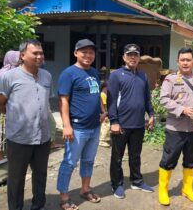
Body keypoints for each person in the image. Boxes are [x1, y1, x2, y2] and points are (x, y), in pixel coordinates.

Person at [0, 40, 52, 210]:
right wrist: (17, 119)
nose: (39, 56)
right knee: (16, 179)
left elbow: (45, 103)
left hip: (43, 137)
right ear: (22, 55)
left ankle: (38, 205)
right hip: (19, 138)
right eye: (35, 53)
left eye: (41, 53)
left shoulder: (46, 76)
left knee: (41, 175)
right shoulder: (8, 77)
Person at [56, 39, 107, 209]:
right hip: (77, 128)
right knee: (69, 162)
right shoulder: (68, 73)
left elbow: (97, 93)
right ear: (76, 53)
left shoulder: (93, 72)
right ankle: (64, 196)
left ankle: (85, 189)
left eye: (91, 52)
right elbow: (63, 100)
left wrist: (103, 111)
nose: (88, 55)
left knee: (89, 160)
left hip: (94, 126)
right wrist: (66, 125)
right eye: (83, 52)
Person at [158, 47, 193, 206]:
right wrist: (182, 110)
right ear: (178, 62)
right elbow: (164, 99)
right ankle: (163, 190)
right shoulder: (170, 79)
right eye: (182, 60)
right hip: (176, 129)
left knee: (191, 160)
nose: (185, 62)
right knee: (169, 160)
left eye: (188, 60)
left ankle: (187, 189)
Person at [107, 43, 155, 199]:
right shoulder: (116, 75)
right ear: (124, 57)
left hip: (138, 124)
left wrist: (151, 114)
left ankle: (137, 181)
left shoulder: (143, 76)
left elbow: (147, 97)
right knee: (117, 157)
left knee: (136, 156)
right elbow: (111, 101)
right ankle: (117, 184)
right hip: (121, 125)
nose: (132, 57)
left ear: (139, 57)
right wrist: (114, 121)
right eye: (129, 55)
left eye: (135, 55)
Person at [99, 81, 111, 147]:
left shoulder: (104, 94)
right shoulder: (103, 95)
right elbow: (104, 105)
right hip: (104, 114)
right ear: (105, 87)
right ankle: (102, 141)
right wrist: (105, 114)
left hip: (104, 113)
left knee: (105, 126)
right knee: (105, 126)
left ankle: (104, 139)